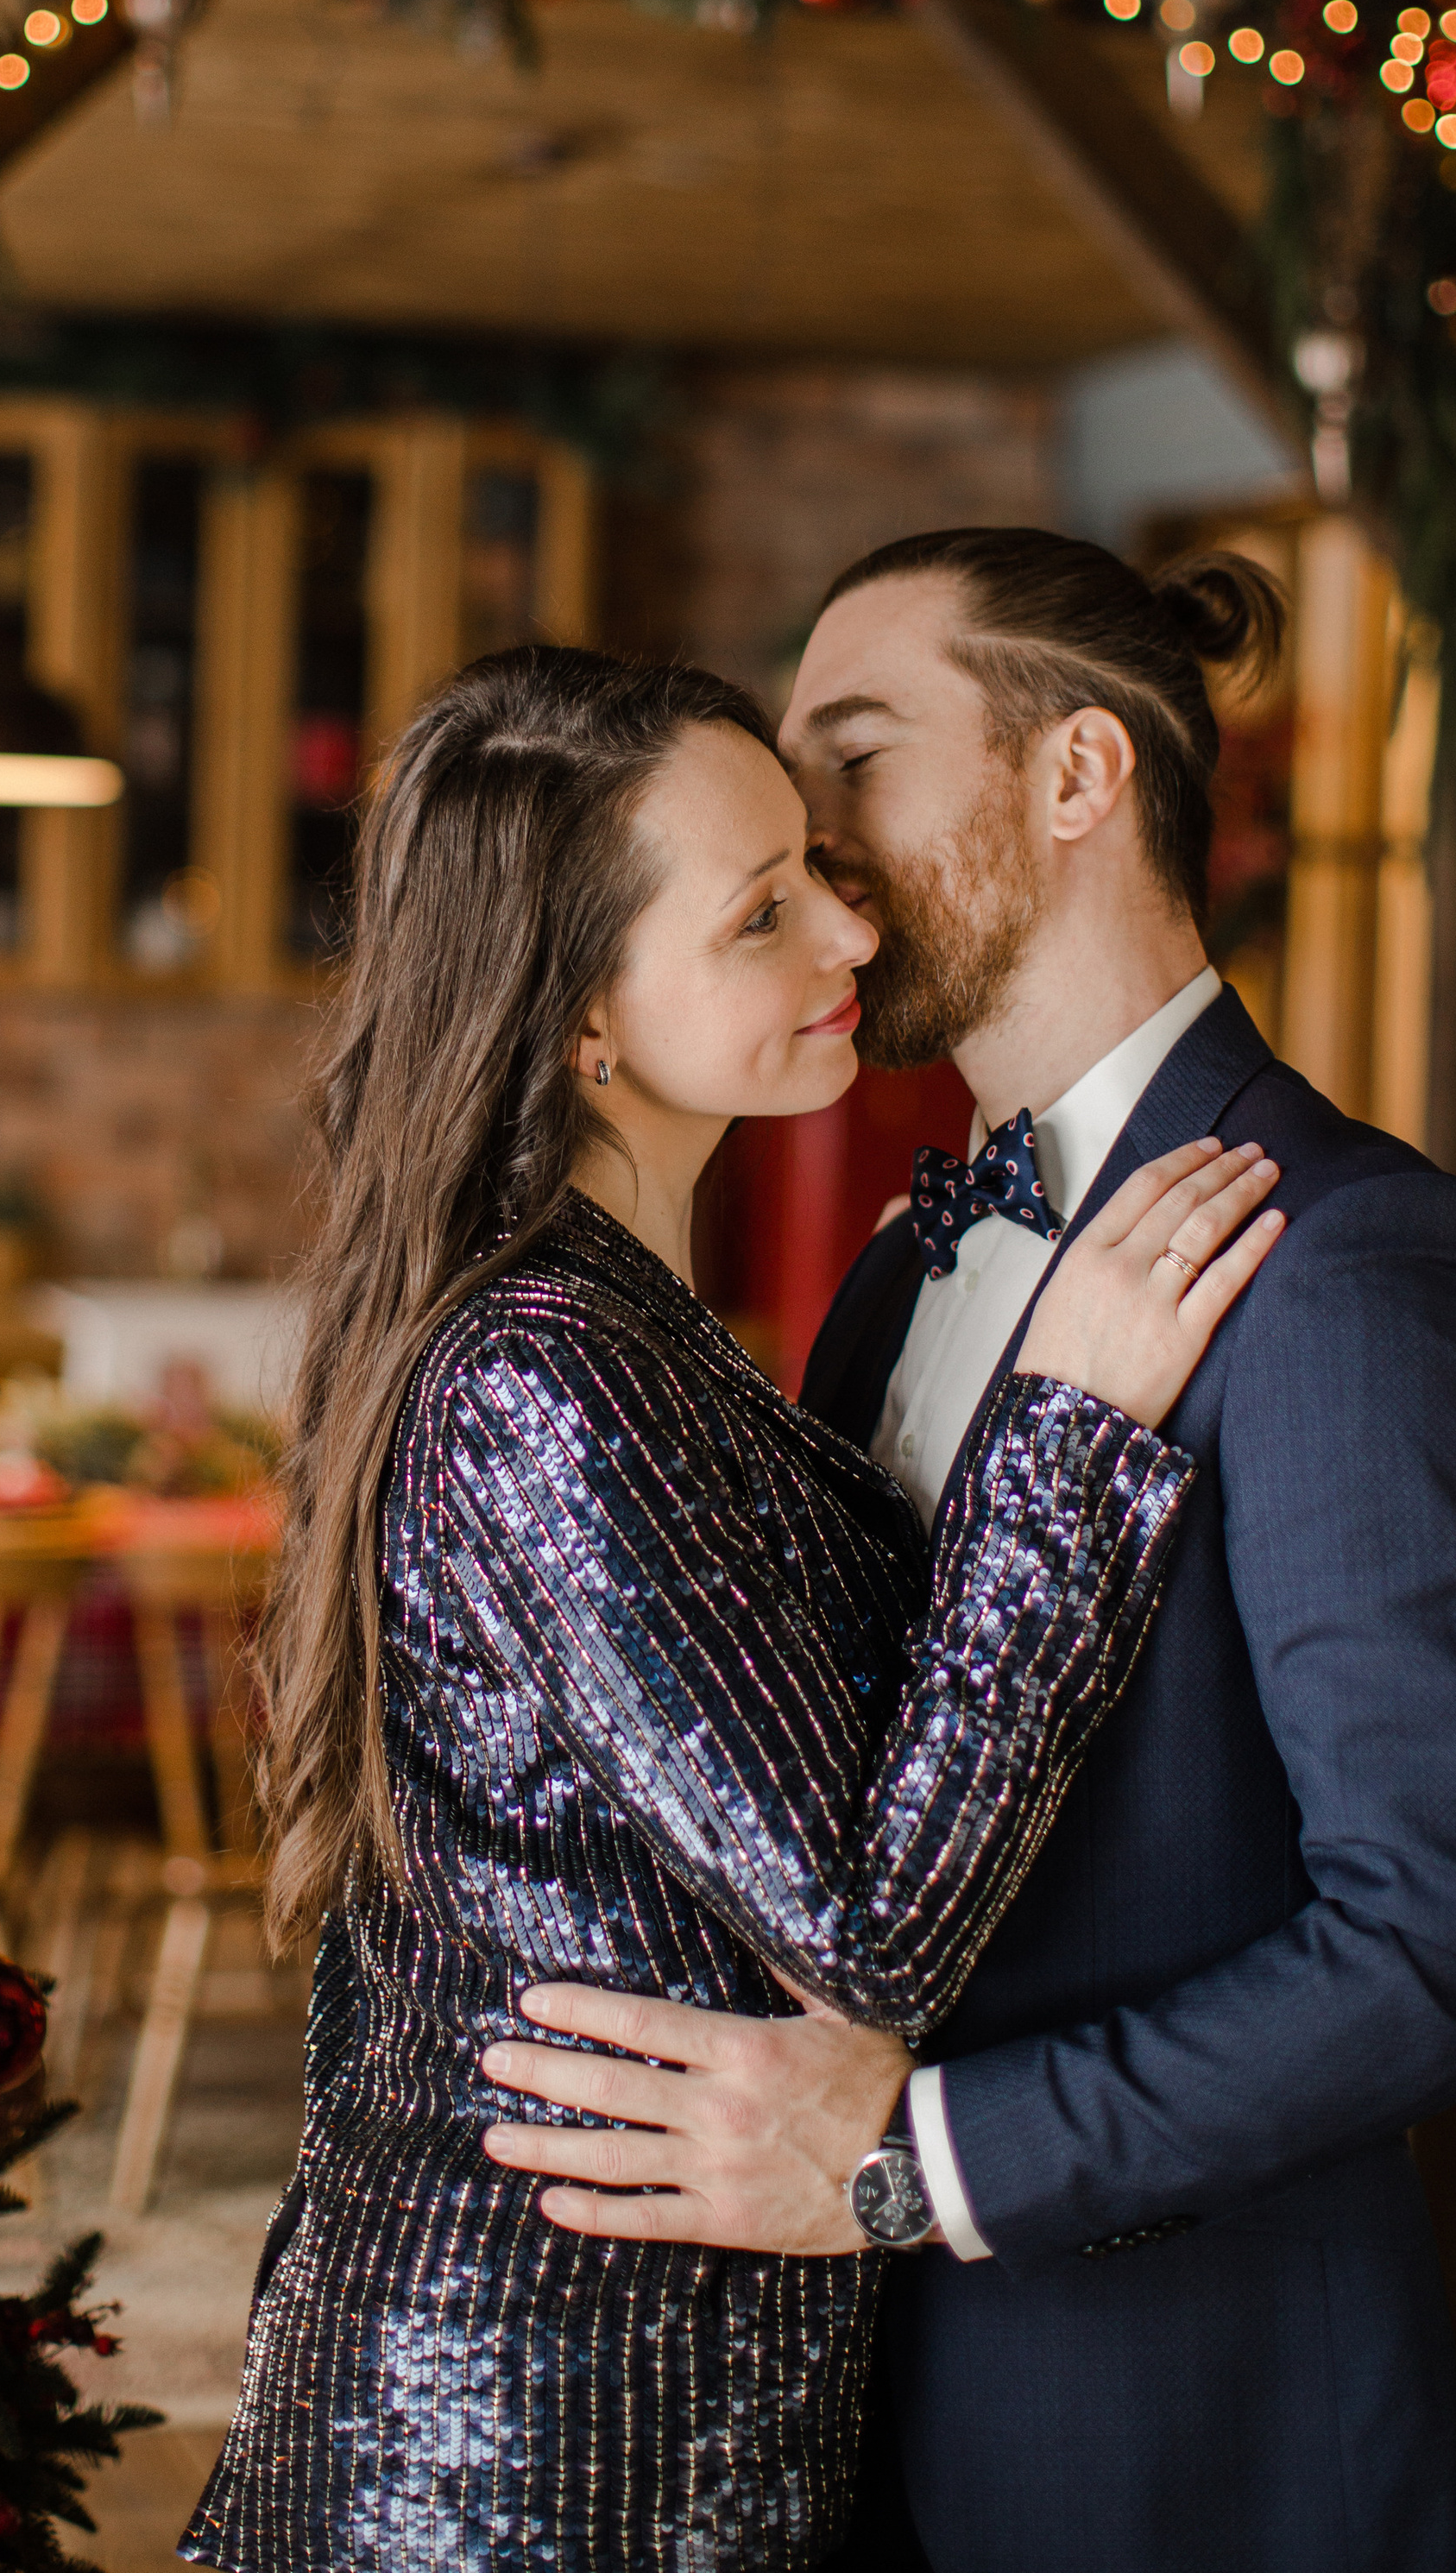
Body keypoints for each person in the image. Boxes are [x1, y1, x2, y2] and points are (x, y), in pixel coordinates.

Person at [481, 531, 1456, 2573]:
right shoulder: (904, 1263)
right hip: (824, 2431)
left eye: (853, 760)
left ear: (1075, 776)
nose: (807, 853)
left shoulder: (1343, 1260)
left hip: (1184, 2444)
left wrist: (914, 2168)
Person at [180, 643, 1284, 2573]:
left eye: (818, 869)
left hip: (645, 2380)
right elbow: (858, 1925)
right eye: (761, 908)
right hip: (532, 2438)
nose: (846, 925)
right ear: (581, 1018)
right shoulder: (541, 1369)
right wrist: (1066, 1436)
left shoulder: (620, 1335)